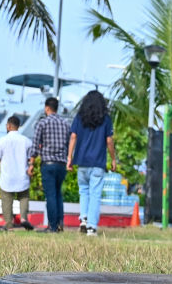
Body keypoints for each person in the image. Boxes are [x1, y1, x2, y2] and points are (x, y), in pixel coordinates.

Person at [68, 90, 118, 237]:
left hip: (82, 162)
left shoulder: (79, 118)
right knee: (95, 194)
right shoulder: (106, 119)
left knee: (83, 191)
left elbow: (73, 137)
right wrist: (113, 159)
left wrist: (69, 157)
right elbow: (109, 141)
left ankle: (83, 218)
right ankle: (92, 227)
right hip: (97, 163)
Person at [0, 115, 34, 232]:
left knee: (7, 201)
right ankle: (23, 218)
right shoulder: (26, 141)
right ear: (18, 126)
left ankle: (9, 225)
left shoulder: (2, 141)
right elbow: (31, 157)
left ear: (8, 126)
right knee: (24, 197)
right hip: (22, 176)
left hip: (7, 177)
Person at [32, 96, 69, 233]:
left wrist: (31, 162)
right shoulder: (65, 123)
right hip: (61, 164)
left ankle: (52, 226)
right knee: (58, 194)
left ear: (47, 107)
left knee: (51, 195)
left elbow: (35, 145)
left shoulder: (43, 123)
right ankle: (59, 224)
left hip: (48, 164)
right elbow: (69, 144)